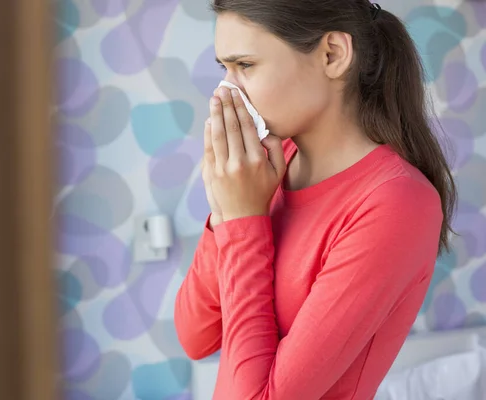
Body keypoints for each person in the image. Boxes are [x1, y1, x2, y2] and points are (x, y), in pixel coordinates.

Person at [174, 0, 457, 399]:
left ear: (332, 55)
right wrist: (225, 209)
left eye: (246, 66)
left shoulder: (397, 203)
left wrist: (243, 219)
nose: (225, 92)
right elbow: (195, 336)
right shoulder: (270, 167)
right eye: (225, 68)